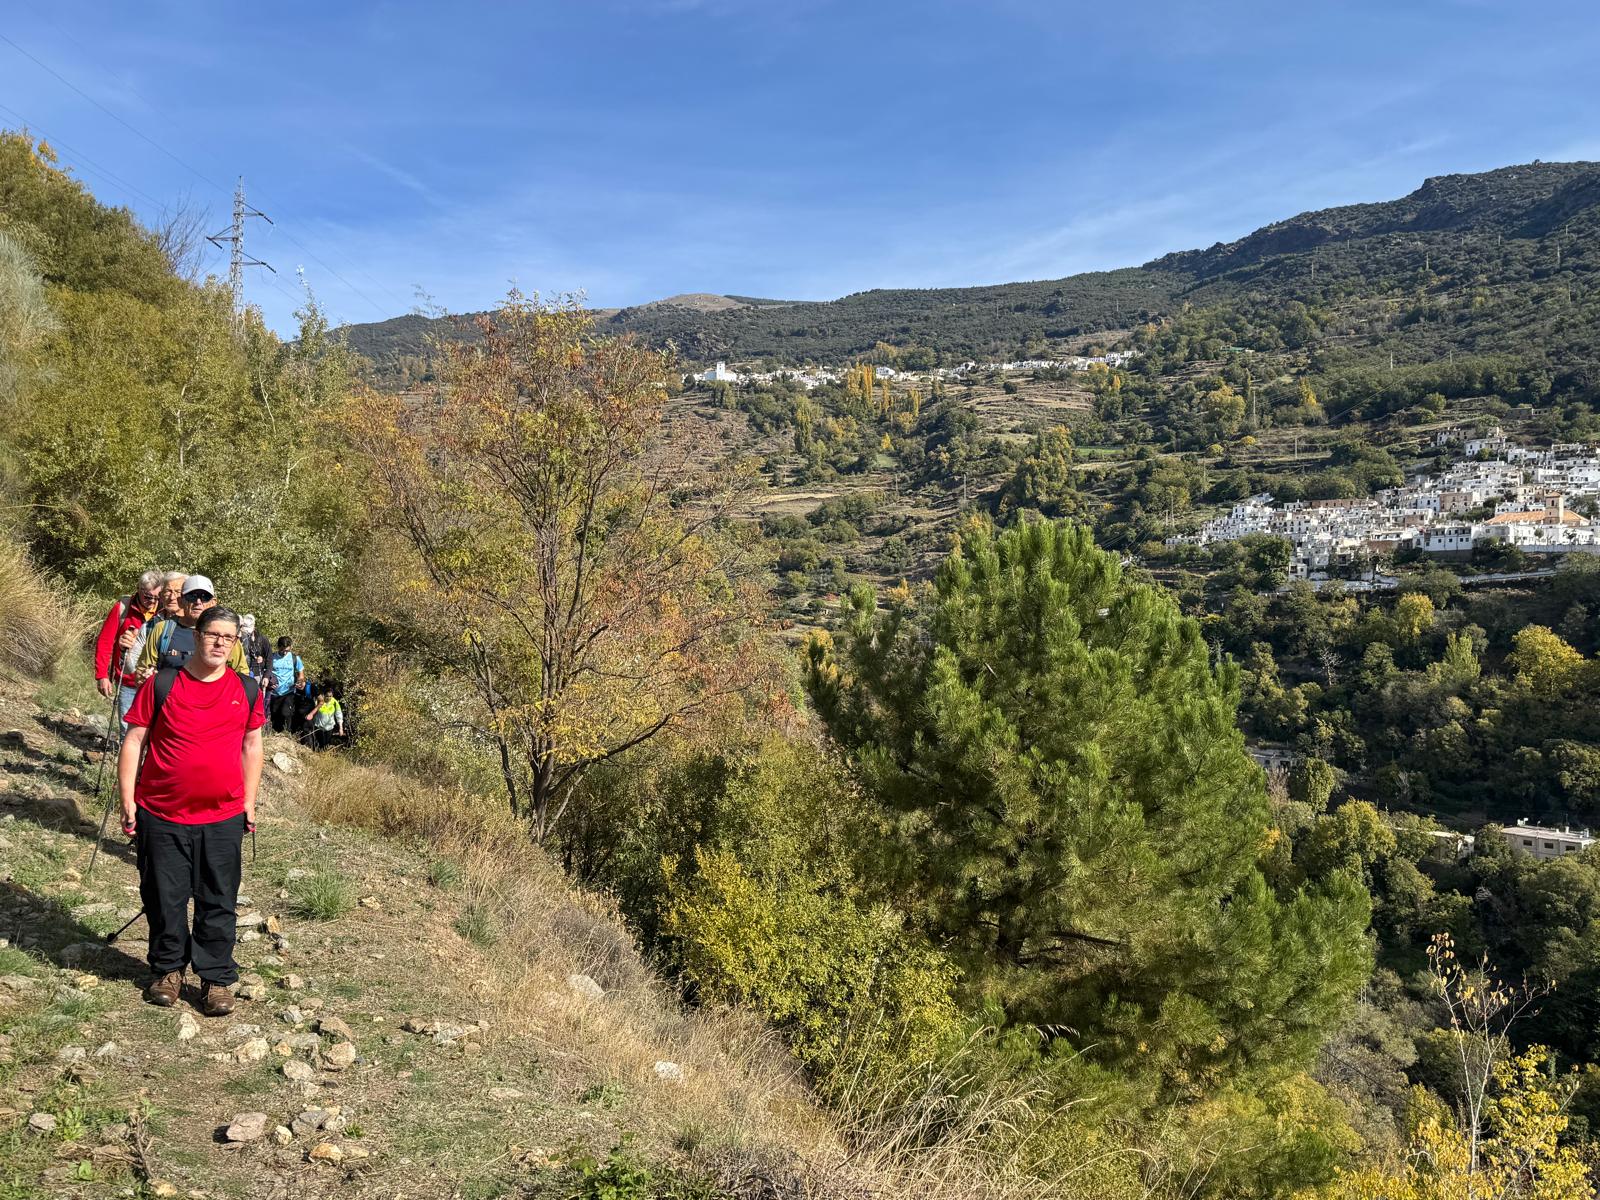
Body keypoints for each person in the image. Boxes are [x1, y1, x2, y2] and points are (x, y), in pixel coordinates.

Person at [118, 606, 265, 1016]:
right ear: (197, 636)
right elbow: (135, 740)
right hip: (161, 813)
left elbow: (252, 745)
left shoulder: (246, 689)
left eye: (228, 637)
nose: (220, 643)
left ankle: (215, 978)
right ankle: (168, 970)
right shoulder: (163, 683)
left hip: (222, 816)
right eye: (213, 634)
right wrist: (128, 798)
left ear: (235, 644)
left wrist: (249, 800)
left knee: (218, 899)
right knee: (164, 897)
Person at [137, 575, 247, 677]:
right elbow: (142, 670)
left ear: (213, 602)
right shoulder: (162, 629)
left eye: (205, 597)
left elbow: (242, 675)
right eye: (192, 596)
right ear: (181, 601)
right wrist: (145, 677)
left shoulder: (226, 634)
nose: (198, 602)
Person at [93, 570, 161, 726]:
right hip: (127, 682)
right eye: (148, 596)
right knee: (126, 729)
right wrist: (102, 675)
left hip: (154, 683)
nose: (152, 601)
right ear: (138, 589)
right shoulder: (122, 608)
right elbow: (105, 642)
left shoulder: (164, 612)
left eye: (157, 597)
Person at [269, 637, 304, 733]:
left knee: (286, 714)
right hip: (274, 693)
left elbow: (301, 675)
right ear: (278, 647)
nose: (284, 653)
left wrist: (300, 682)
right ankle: (275, 735)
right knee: (275, 716)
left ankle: (287, 734)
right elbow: (266, 673)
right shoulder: (271, 657)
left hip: (288, 692)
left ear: (290, 647)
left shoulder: (295, 658)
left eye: (287, 650)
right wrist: (269, 683)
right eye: (282, 650)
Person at [303, 685, 345, 750]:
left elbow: (339, 715)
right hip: (319, 728)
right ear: (323, 695)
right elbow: (313, 712)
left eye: (330, 696)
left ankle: (324, 754)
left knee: (326, 745)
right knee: (320, 744)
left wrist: (341, 728)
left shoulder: (334, 702)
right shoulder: (318, 701)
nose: (329, 698)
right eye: (327, 696)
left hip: (329, 728)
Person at [238, 614, 272, 683]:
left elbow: (269, 658)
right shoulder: (238, 638)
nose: (247, 633)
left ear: (254, 627)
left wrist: (266, 676)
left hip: (258, 675)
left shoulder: (262, 639)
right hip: (241, 674)